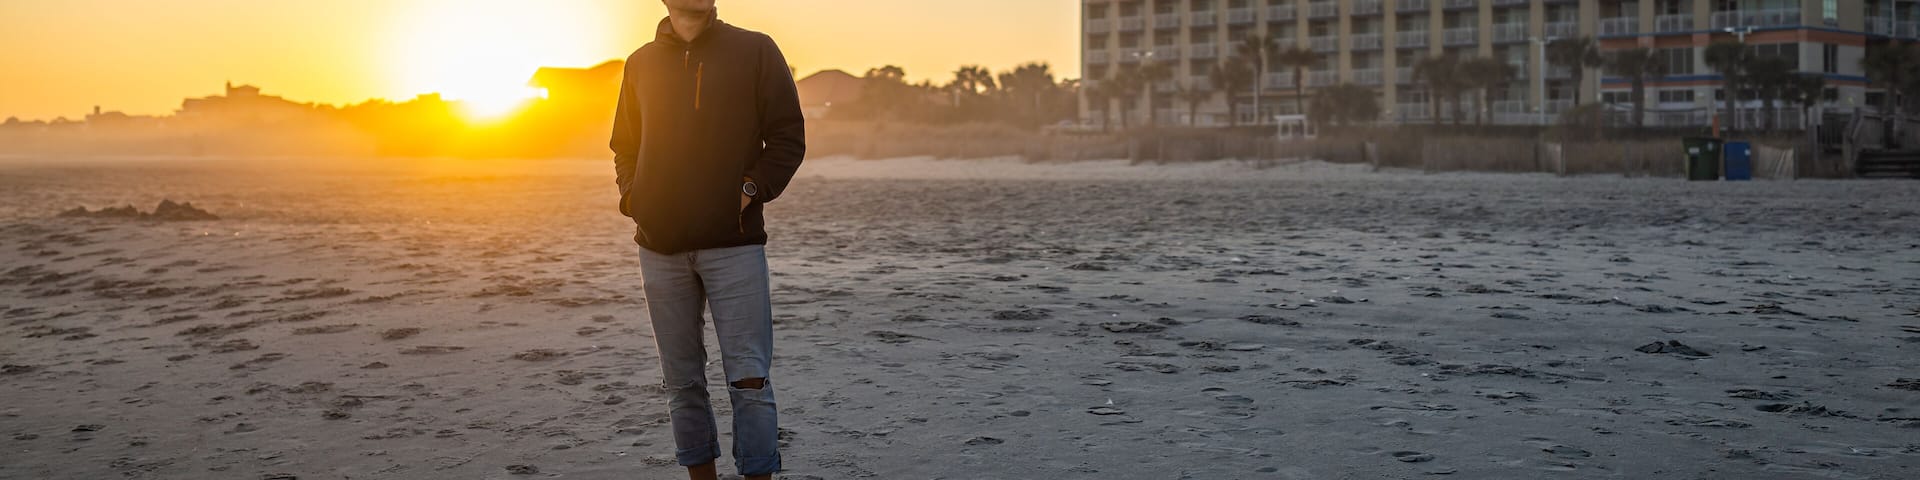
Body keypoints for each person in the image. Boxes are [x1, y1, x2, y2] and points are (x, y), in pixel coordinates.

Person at [609, 0, 805, 478]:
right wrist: (636, 200)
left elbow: (787, 137)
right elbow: (624, 146)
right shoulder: (640, 63)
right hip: (659, 246)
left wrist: (748, 190)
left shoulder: (755, 50)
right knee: (682, 382)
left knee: (750, 380)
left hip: (734, 245)